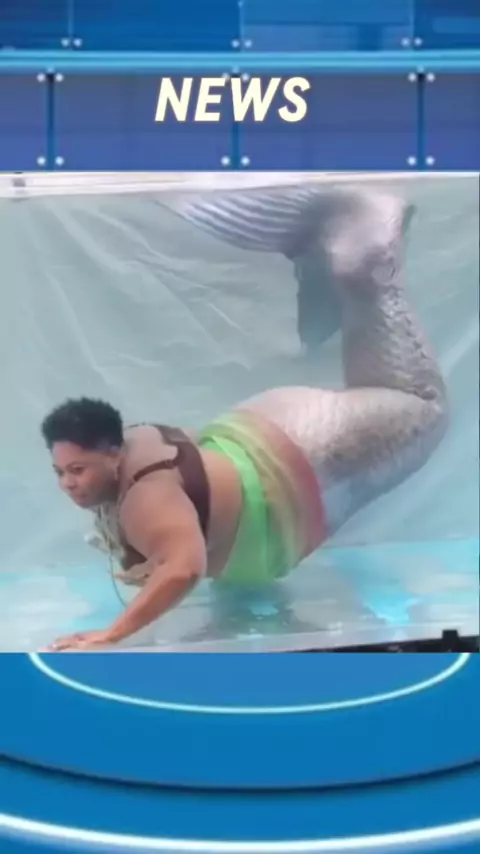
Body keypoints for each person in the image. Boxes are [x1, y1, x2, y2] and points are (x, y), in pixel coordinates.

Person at [41, 186, 448, 651]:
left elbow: (184, 568)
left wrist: (110, 635)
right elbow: (187, 460)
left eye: (77, 470)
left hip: (299, 455)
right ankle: (351, 265)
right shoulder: (134, 441)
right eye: (61, 473)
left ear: (112, 455)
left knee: (421, 406)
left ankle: (368, 261)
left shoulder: (144, 500)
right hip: (260, 435)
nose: (68, 484)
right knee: (381, 398)